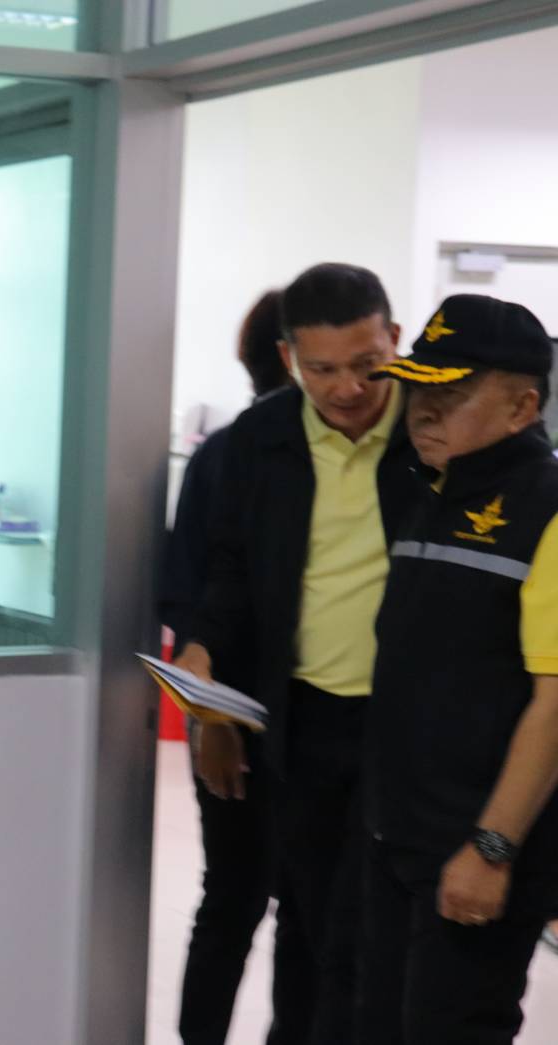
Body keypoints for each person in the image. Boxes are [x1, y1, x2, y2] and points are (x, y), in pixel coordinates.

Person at [174, 262, 416, 1045]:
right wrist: (203, 665)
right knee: (307, 922)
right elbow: (227, 571)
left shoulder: (430, 431)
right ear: (287, 359)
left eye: (366, 365)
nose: (347, 388)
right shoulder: (258, 440)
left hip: (401, 725)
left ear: (395, 339)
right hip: (298, 720)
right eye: (321, 370)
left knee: (365, 935)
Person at [361, 294, 558, 1045]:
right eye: (420, 388)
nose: (426, 410)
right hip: (397, 838)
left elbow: (553, 706)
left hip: (476, 848)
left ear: (522, 407)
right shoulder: (433, 493)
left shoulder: (545, 508)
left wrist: (491, 848)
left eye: (455, 391)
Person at [160, 289, 302, 1045]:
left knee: (275, 905)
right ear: (290, 358)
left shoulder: (340, 459)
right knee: (243, 899)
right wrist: (211, 721)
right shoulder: (233, 455)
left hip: (294, 725)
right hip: (238, 719)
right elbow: (192, 602)